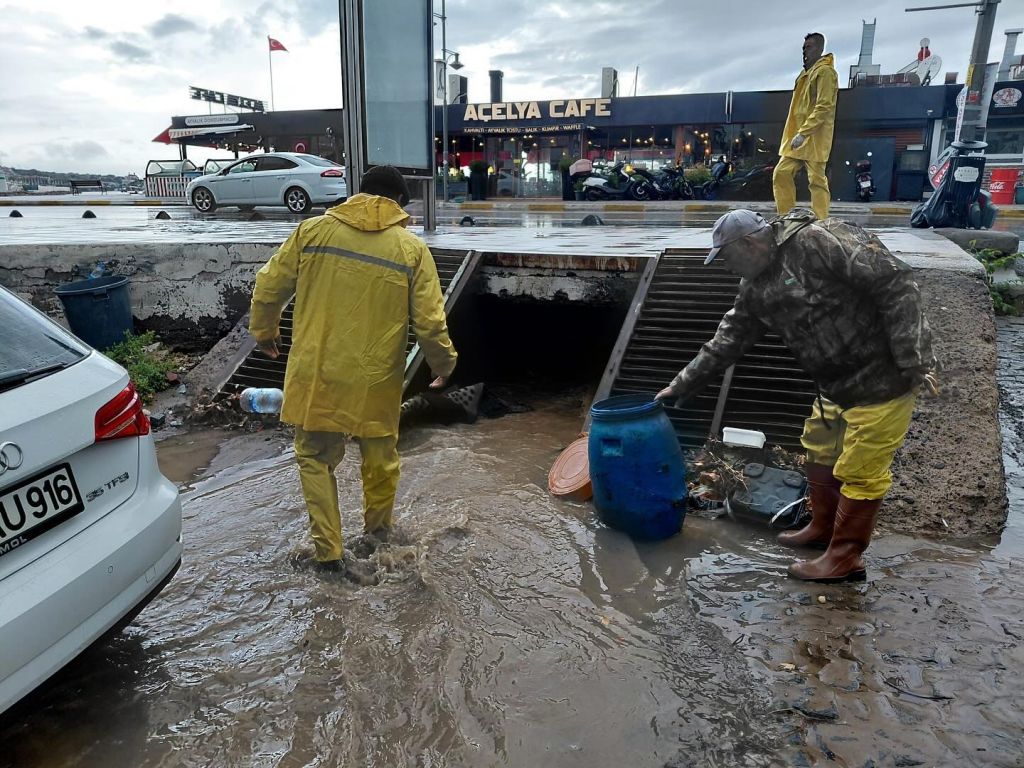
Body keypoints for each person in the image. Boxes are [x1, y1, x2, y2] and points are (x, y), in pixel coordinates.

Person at [656, 208, 936, 583]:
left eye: (728, 258)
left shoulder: (821, 240)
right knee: (819, 452)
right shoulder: (755, 286)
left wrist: (915, 361)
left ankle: (845, 556)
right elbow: (730, 338)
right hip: (832, 385)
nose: (726, 268)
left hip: (881, 380)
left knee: (860, 471)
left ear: (751, 243)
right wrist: (683, 382)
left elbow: (895, 283)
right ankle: (822, 527)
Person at [249, 165, 458, 573]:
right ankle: (378, 536)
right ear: (399, 203)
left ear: (358, 194)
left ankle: (328, 554)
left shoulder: (311, 232)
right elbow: (431, 322)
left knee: (314, 457)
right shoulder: (410, 249)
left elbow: (268, 286)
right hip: (375, 377)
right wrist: (443, 364)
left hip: (317, 370)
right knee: (380, 457)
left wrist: (264, 332)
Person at [773, 32, 838, 221]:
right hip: (797, 138)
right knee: (781, 173)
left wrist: (804, 133)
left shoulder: (825, 72)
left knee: (817, 180)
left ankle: (821, 221)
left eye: (808, 47)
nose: (804, 51)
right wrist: (797, 134)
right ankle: (786, 217)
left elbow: (824, 106)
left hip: (814, 137)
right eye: (803, 47)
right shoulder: (804, 74)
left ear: (819, 48)